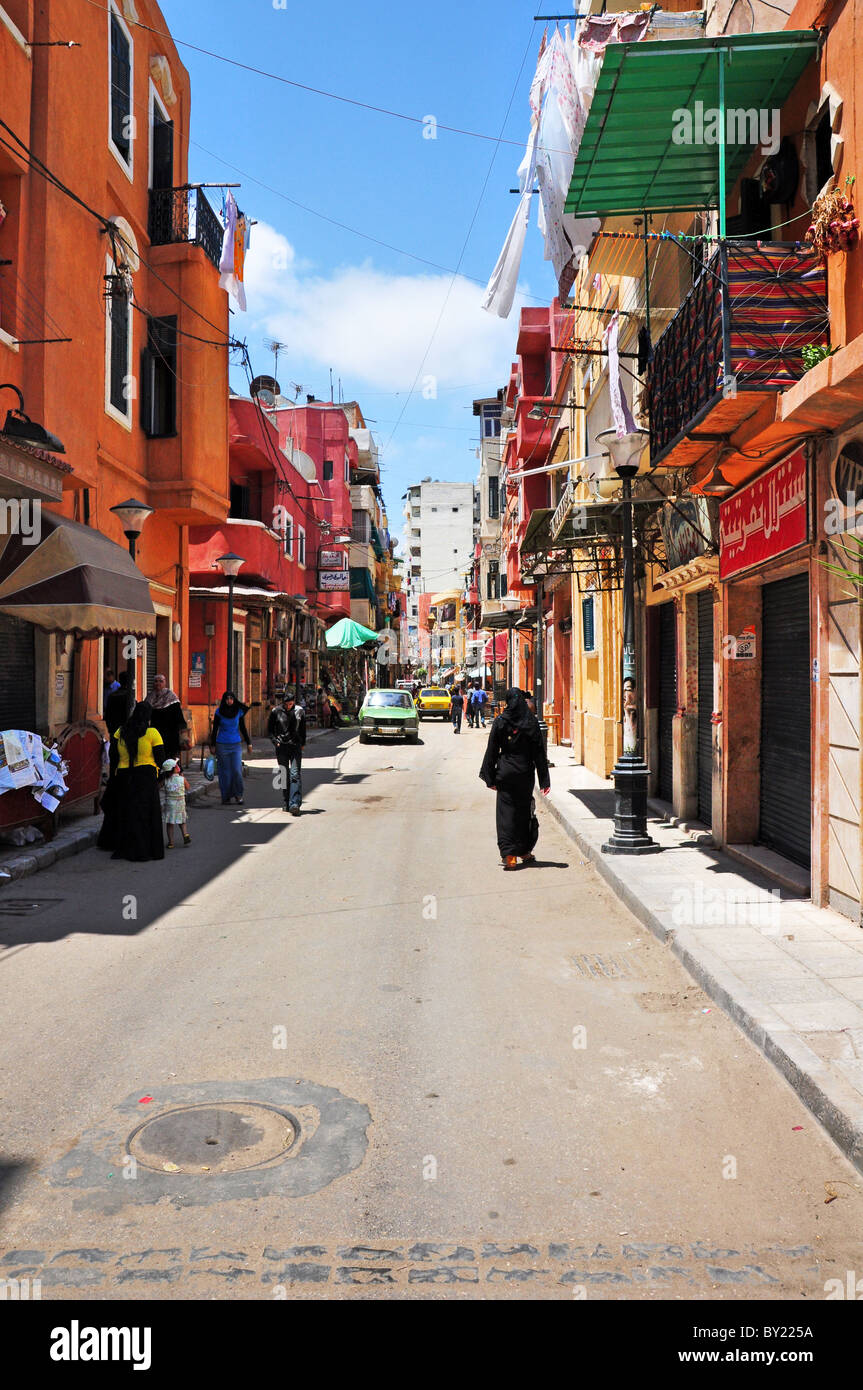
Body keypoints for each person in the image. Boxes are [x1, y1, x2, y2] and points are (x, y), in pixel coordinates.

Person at [479, 687, 550, 870]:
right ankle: (524, 851)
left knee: (506, 815)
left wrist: (490, 778)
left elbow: (492, 750)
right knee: (523, 812)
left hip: (506, 773)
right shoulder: (531, 722)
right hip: (525, 773)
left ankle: (510, 856)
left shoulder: (501, 721)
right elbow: (539, 753)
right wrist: (544, 780)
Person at [105, 701, 165, 862]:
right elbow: (160, 757)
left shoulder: (120, 731)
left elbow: (113, 755)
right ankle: (146, 850)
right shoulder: (153, 733)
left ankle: (125, 848)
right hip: (146, 776)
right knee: (146, 813)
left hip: (124, 776)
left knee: (126, 812)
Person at [209, 691, 253, 806]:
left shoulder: (239, 711)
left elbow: (243, 728)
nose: (229, 701)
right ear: (224, 700)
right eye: (227, 698)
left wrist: (249, 743)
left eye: (231, 698)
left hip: (235, 745)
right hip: (222, 745)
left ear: (234, 699)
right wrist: (212, 745)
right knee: (225, 772)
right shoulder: (219, 712)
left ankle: (239, 795)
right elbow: (215, 730)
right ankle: (226, 796)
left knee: (237, 771)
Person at [267, 692, 306, 815]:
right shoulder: (276, 712)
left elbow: (303, 729)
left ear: (294, 702)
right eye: (286, 704)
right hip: (282, 747)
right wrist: (275, 741)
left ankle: (294, 803)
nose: (289, 706)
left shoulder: (299, 711)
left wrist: (302, 743)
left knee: (294, 775)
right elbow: (270, 730)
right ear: (283, 703)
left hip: (295, 747)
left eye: (291, 704)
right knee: (284, 774)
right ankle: (286, 801)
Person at [147, 674, 188, 762]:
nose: (158, 683)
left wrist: (183, 731)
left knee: (171, 760)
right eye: (156, 681)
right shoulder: (150, 697)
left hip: (171, 734)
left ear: (165, 683)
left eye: (161, 681)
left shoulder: (171, 697)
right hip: (156, 733)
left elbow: (179, 715)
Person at [159, 757, 190, 848]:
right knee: (182, 821)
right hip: (180, 804)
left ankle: (171, 843)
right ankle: (185, 835)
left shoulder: (166, 780)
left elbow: (158, 787)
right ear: (175, 769)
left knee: (170, 824)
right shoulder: (182, 779)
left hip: (170, 805)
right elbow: (188, 787)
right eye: (176, 765)